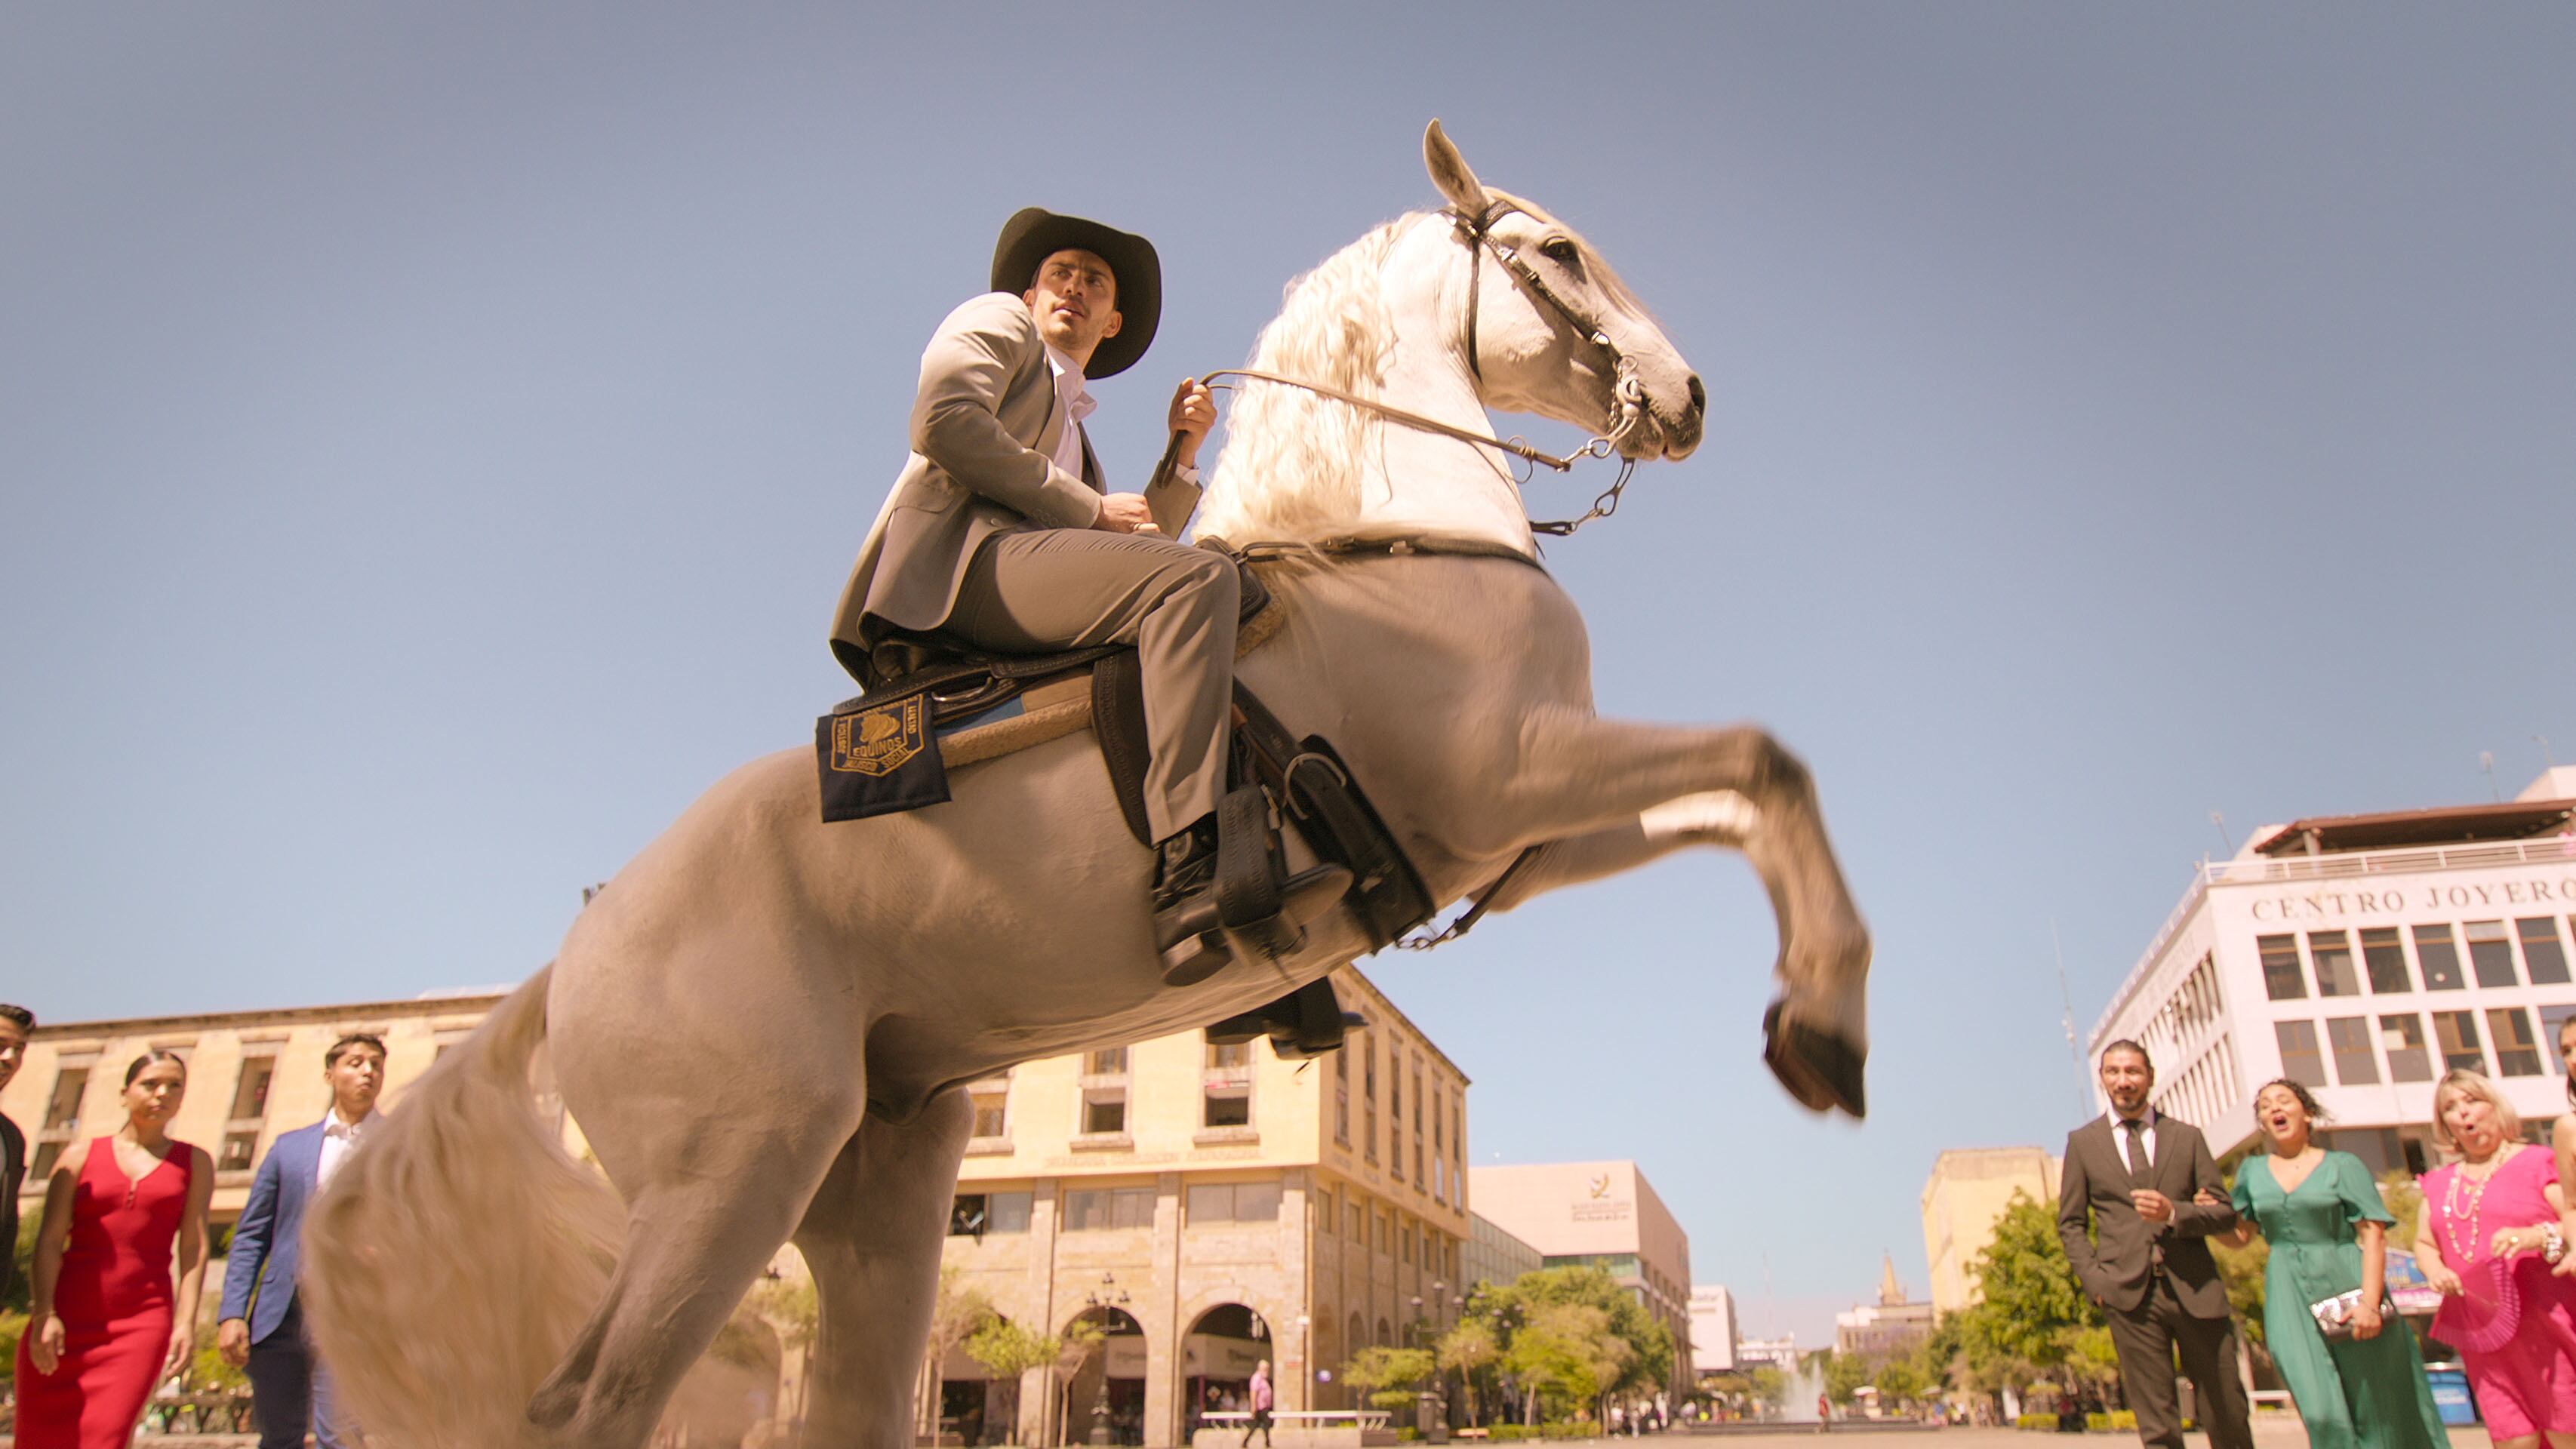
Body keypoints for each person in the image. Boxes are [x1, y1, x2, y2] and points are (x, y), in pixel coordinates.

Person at [825, 208, 1343, 984]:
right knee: (1198, 579)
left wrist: (1181, 454)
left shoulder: (1076, 436)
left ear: (1113, 320)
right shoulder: (995, 322)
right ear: (1029, 295)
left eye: (1093, 283)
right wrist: (1089, 508)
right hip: (958, 569)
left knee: (1207, 588)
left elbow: (1134, 557)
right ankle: (1189, 859)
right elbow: (943, 419)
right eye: (1060, 274)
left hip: (1026, 569)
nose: (1074, 287)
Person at [2202, 1078, 2446, 1449]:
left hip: (2347, 1277)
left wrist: (2370, 1303)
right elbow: (2240, 1238)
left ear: (2308, 1113)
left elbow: (2373, 1235)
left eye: (2284, 1101)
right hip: (2286, 1288)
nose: (2275, 1109)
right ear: (2262, 1123)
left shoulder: (2342, 1165)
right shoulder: (2252, 1173)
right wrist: (2209, 1222)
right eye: (2266, 1106)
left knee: (2378, 1404)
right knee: (2318, 1406)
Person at [2056, 1040, 2254, 1449]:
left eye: (2132, 1072)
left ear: (2149, 1076)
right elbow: (2071, 1224)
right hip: (2128, 1296)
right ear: (2103, 1079)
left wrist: (2174, 1213)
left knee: (2227, 1407)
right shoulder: (2083, 1143)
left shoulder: (2186, 1137)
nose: (2123, 1081)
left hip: (2196, 1287)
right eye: (2114, 1072)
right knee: (2158, 1422)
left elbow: (2223, 1213)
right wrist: (2097, 1283)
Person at [14, 1049, 214, 1449]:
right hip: (63, 1322)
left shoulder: (194, 1162)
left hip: (139, 1325)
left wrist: (185, 1322)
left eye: (175, 1086)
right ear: (125, 1093)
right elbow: (49, 1241)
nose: (162, 1094)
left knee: (106, 1437)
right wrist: (43, 1314)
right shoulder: (78, 1156)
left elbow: (193, 1246)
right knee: (39, 1439)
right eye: (151, 1084)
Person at [217, 1032, 386, 1449]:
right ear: (330, 1073)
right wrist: (233, 1312)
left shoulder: (398, 1147)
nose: (368, 1071)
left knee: (342, 1437)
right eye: (356, 1062)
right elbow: (252, 1235)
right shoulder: (288, 1149)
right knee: (279, 1436)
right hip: (282, 1315)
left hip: (353, 1312)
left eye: (377, 1065)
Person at [2414, 1069, 2576, 1449]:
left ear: (2495, 1106)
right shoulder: (2438, 1182)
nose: (2463, 1113)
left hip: (2547, 1326)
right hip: (2483, 1333)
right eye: (2451, 1107)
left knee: (2564, 1431)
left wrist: (2535, 1235)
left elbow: (2572, 1220)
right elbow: (2424, 1242)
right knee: (2513, 1439)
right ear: (2445, 1125)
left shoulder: (2539, 1162)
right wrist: (2436, 1271)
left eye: (2472, 1101)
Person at [1, 1002, 30, 1303]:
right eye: (1, 1045)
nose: (9, 1058)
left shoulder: (11, 1138)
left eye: (19, 1049)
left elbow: (7, 1225)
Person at [1242, 1359, 1274, 1448]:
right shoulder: (1256, 1378)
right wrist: (1253, 1406)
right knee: (1265, 1423)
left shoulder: (1263, 1379)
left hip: (1265, 1407)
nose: (1267, 1371)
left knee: (1257, 1425)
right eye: (1266, 1369)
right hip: (1260, 1407)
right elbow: (1253, 1392)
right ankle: (1267, 1443)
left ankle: (1246, 1442)